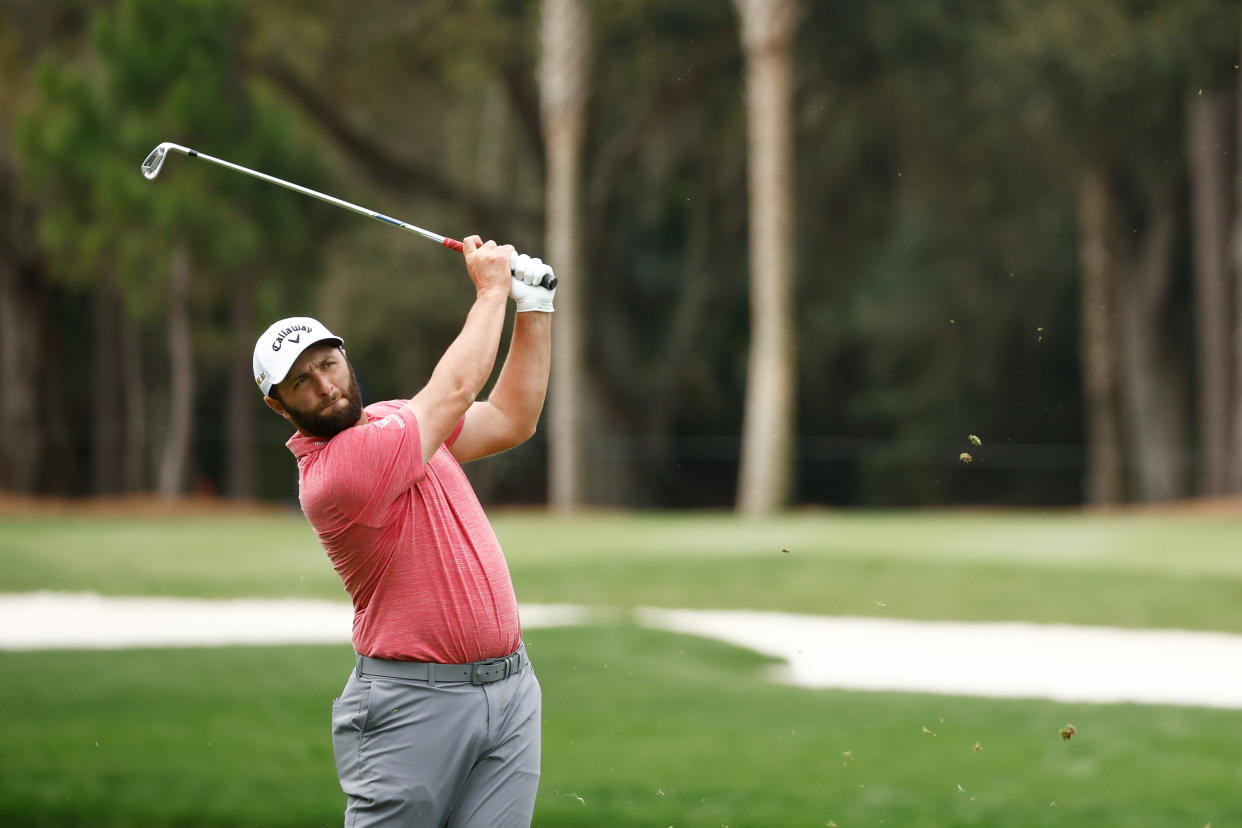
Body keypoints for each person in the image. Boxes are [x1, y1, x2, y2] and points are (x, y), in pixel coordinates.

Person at [252, 236, 555, 827]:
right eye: (300, 381)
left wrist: (535, 309)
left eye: (327, 363)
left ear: (344, 356)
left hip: (511, 691)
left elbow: (511, 418)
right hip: (414, 706)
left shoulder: (398, 419)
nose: (325, 386)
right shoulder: (335, 475)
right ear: (277, 404)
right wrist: (494, 290)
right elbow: (455, 391)